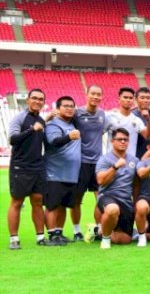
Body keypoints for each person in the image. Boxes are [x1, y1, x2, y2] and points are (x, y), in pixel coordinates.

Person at [7, 88, 47, 250]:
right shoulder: (19, 118)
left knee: (37, 201)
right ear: (28, 100)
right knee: (17, 202)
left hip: (37, 167)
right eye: (35, 98)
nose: (38, 101)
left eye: (41, 99)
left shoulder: (42, 121)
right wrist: (31, 130)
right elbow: (12, 139)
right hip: (20, 167)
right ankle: (14, 239)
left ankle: (40, 237)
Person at [73, 85, 110, 242]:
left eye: (98, 94)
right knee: (77, 199)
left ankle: (99, 229)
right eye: (93, 93)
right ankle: (76, 231)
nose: (95, 96)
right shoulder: (77, 113)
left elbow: (111, 129)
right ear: (86, 94)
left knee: (101, 198)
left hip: (98, 163)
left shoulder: (102, 115)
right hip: (80, 162)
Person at [43, 96, 82, 246]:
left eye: (72, 106)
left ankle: (59, 232)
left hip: (70, 174)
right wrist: (68, 137)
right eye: (65, 106)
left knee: (63, 205)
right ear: (58, 109)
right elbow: (54, 141)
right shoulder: (53, 125)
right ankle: (52, 235)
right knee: (52, 205)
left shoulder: (72, 124)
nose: (69, 108)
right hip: (55, 172)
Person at [95, 128, 140, 249]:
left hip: (126, 201)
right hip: (108, 196)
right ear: (112, 141)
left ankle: (98, 231)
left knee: (124, 240)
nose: (123, 142)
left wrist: (135, 203)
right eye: (119, 139)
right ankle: (105, 239)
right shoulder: (105, 159)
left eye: (125, 140)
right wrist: (115, 167)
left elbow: (136, 184)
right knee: (112, 209)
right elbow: (100, 180)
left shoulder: (134, 160)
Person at [107, 87, 147, 158]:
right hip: (112, 160)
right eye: (125, 97)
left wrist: (148, 120)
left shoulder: (136, 120)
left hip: (129, 162)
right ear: (119, 99)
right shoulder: (110, 116)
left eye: (130, 98)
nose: (128, 100)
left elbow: (148, 136)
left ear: (133, 100)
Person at [134, 87, 150, 159]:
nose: (145, 100)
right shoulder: (132, 115)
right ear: (136, 99)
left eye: (148, 98)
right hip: (136, 155)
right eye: (142, 98)